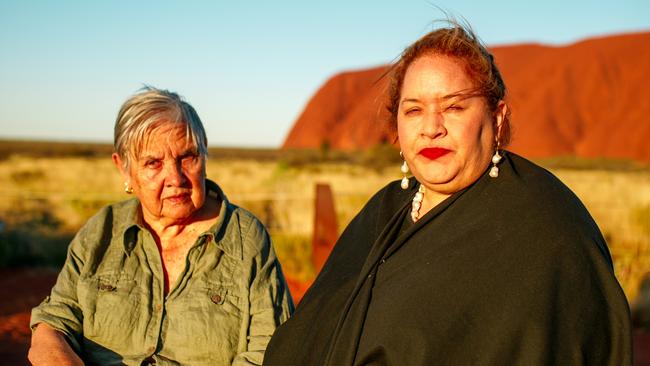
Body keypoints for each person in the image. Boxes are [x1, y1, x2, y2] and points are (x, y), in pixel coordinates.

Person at [263, 22, 632, 365]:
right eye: (413, 110)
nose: (431, 128)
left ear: (497, 116)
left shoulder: (544, 228)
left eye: (454, 107)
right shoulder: (384, 210)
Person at [29, 87, 294, 365]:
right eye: (153, 163)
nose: (175, 178)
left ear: (204, 155)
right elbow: (55, 320)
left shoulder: (245, 238)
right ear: (124, 168)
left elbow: (270, 349)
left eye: (187, 157)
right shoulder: (102, 231)